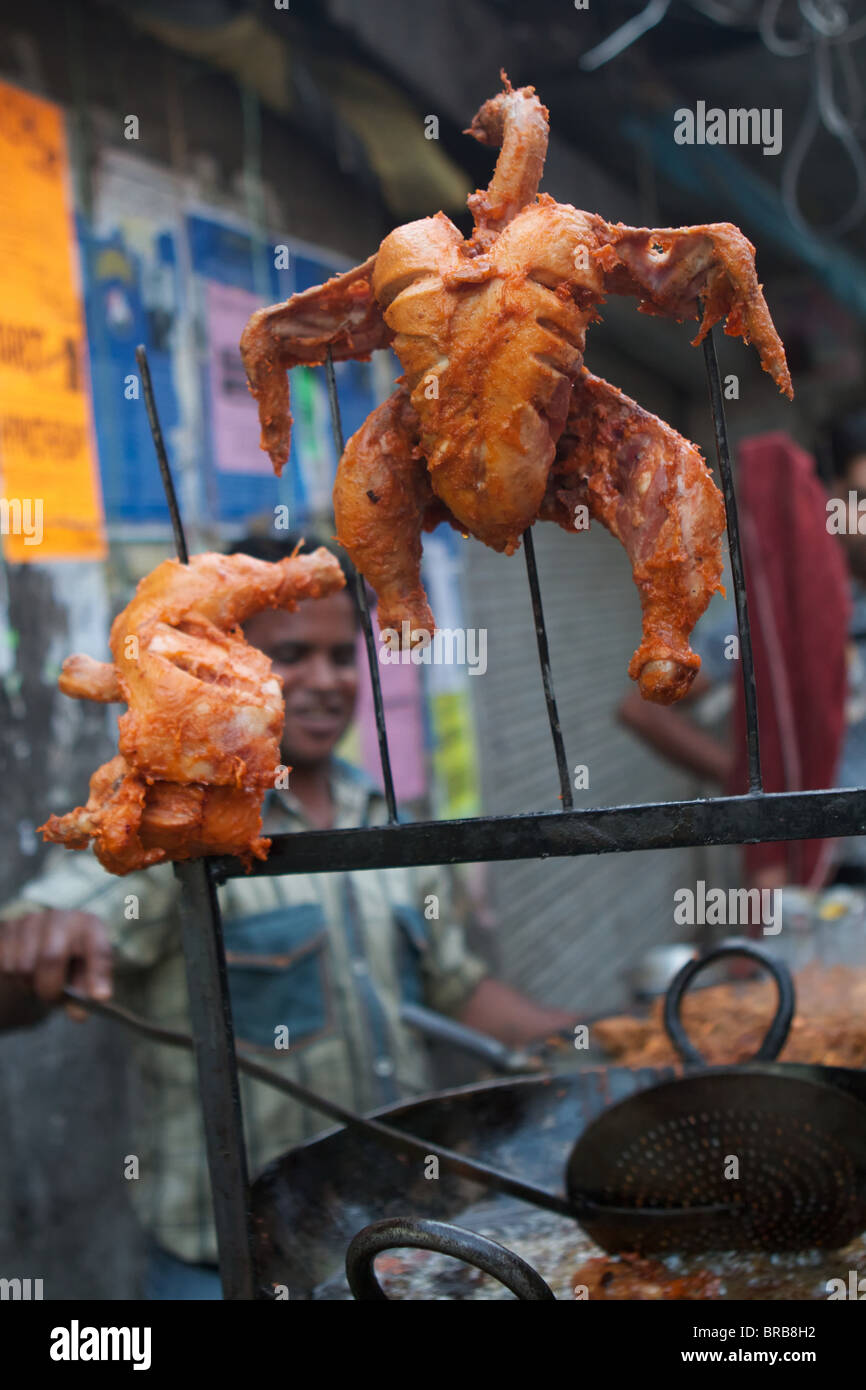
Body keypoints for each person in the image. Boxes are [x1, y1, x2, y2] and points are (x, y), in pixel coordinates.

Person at [0, 533, 575, 1299]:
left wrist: (578, 1041)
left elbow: (452, 986)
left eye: (343, 657)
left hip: (386, 1256)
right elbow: (56, 929)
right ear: (227, 663)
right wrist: (35, 941)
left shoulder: (388, 816)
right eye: (293, 653)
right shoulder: (179, 828)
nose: (324, 680)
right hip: (225, 1268)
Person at [617, 411, 866, 890]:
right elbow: (643, 708)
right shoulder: (780, 614)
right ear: (829, 497)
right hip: (823, 874)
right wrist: (746, 779)